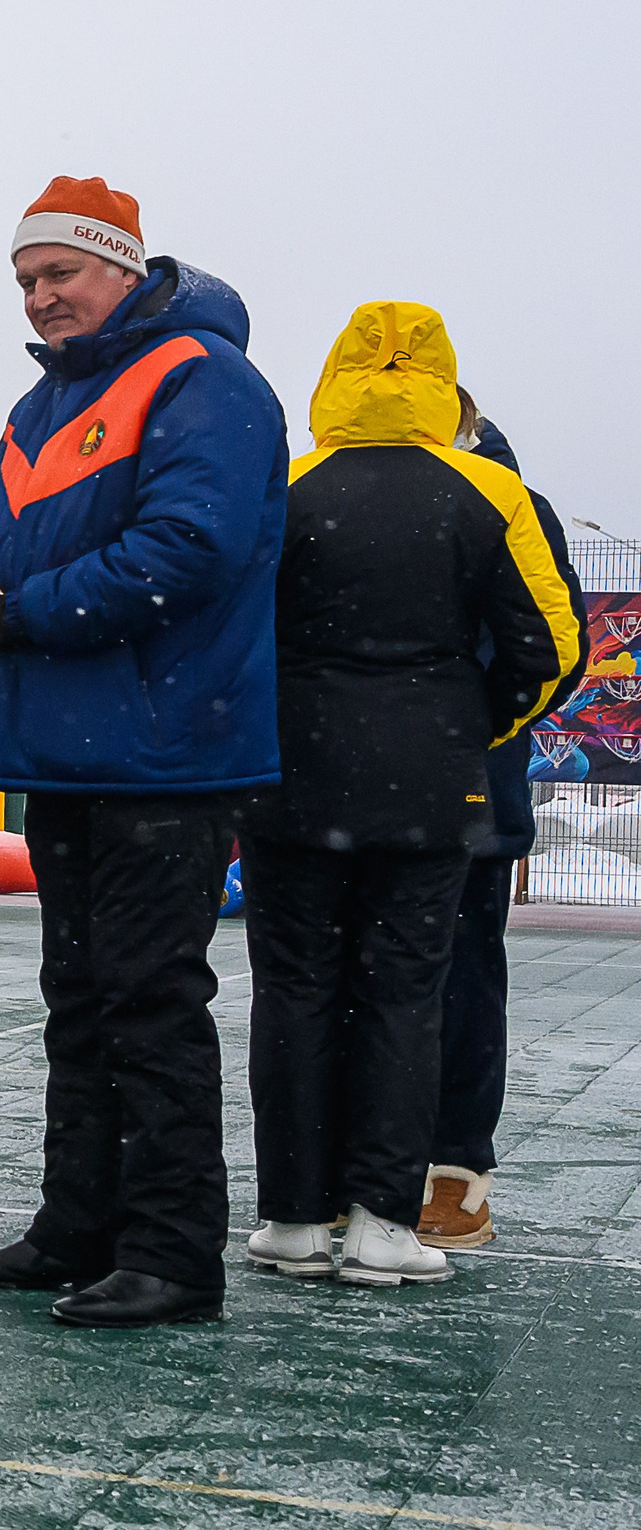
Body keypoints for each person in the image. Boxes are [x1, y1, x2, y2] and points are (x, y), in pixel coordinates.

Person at [0, 177, 288, 1329]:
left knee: (147, 1003)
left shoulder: (204, 381)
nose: (40, 299)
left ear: (121, 267)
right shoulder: (36, 410)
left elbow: (185, 549)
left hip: (165, 753)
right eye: (26, 282)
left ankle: (174, 1255)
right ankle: (76, 1229)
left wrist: (11, 613)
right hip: (70, 756)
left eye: (59, 274)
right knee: (78, 1002)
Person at [236, 307, 583, 1288]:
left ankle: (294, 1217)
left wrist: (275, 725)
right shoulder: (488, 491)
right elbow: (553, 647)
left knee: (294, 995)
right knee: (408, 997)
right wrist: (473, 731)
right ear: (443, 381)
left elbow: (225, 634)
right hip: (430, 788)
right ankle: (389, 1221)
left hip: (292, 781)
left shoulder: (284, 488)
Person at [417, 394, 584, 1250]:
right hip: (354, 785)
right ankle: (357, 1167)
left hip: (465, 792)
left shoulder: (515, 507)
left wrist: (468, 734)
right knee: (348, 981)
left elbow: (555, 648)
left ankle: (456, 1174)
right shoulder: (338, 492)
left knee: (462, 977)